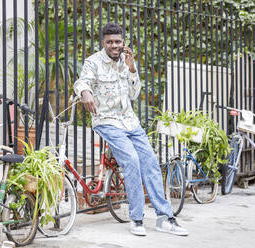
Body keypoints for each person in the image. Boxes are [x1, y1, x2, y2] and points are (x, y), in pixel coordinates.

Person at [74, 22, 188, 236]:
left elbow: (134, 95)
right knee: (132, 161)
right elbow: (82, 81)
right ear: (103, 43)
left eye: (117, 41)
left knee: (150, 161)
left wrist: (133, 68)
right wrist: (85, 92)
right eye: (110, 42)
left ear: (123, 42)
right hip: (107, 121)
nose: (114, 45)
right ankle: (137, 218)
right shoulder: (93, 62)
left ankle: (165, 217)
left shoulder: (126, 62)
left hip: (130, 121)